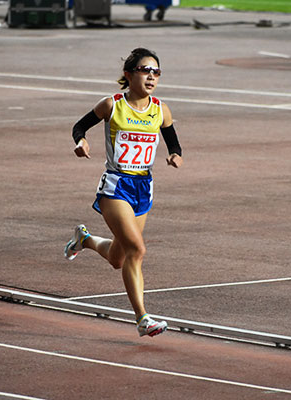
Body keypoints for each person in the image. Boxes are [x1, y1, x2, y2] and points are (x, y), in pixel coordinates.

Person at [64, 48, 183, 337]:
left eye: (156, 72)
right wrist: (81, 142)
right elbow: (79, 126)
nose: (151, 77)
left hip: (143, 188)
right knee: (137, 250)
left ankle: (85, 239)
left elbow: (173, 141)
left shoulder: (161, 110)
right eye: (145, 70)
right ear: (128, 75)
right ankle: (142, 318)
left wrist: (175, 155)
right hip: (116, 186)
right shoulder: (112, 105)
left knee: (118, 258)